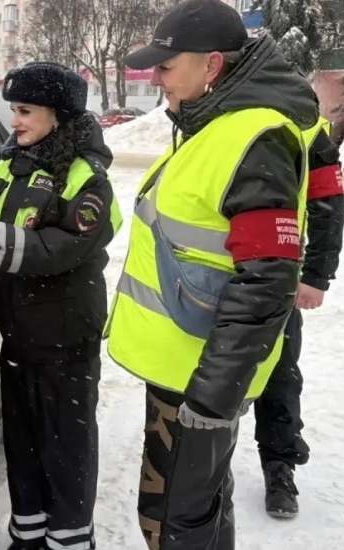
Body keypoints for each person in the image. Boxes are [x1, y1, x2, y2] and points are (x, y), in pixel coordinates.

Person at [106, 0, 319, 548]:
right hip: (184, 368)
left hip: (198, 380)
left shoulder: (254, 137)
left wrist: (212, 401)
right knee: (192, 513)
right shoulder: (216, 123)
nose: (157, 80)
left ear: (213, 66)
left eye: (166, 67)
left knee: (174, 523)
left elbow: (266, 282)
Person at [0, 61, 121, 550]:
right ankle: (28, 534)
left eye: (26, 110)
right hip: (19, 333)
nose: (15, 120)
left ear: (59, 115)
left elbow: (63, 247)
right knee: (23, 442)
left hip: (65, 338)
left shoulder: (85, 176)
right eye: (14, 109)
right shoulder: (14, 162)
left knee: (66, 447)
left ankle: (71, 541)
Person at [256, 116, 343, 518]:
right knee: (206, 376)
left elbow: (328, 203)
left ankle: (280, 467)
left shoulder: (308, 128)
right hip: (207, 274)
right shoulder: (209, 112)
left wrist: (317, 276)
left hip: (278, 276)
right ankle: (202, 470)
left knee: (279, 375)